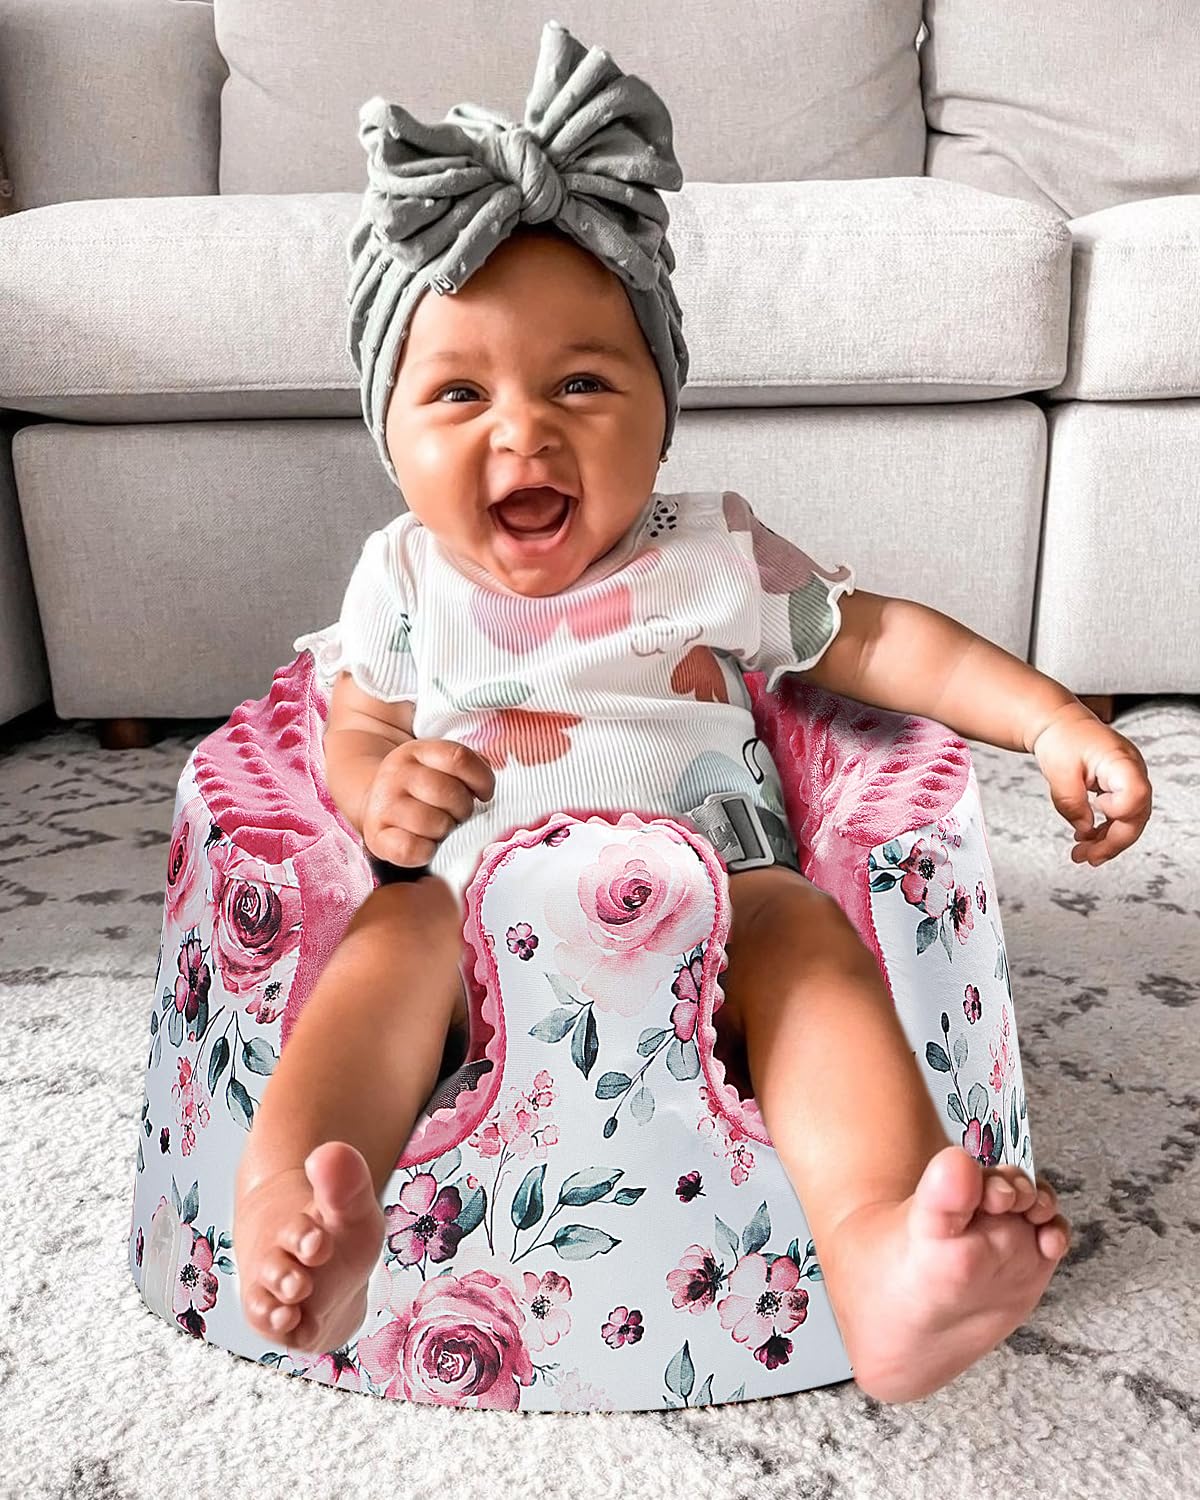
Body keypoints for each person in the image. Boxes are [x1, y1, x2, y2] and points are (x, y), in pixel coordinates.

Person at [232, 22, 1153, 1402]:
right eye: (460, 393)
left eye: (583, 383)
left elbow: (880, 639)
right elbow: (351, 725)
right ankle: (301, 1223)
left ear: (662, 407)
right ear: (392, 436)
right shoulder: (405, 575)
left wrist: (1050, 719)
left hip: (723, 892)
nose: (524, 432)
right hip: (473, 901)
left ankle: (882, 1255)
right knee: (377, 957)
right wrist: (382, 788)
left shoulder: (710, 547)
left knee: (814, 949)